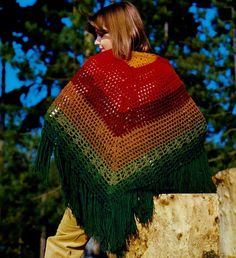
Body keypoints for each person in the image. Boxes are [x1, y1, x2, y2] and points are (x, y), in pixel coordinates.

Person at [35, 1, 214, 257]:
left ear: (124, 31)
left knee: (68, 244)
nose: (97, 42)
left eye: (102, 34)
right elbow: (195, 125)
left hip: (125, 183)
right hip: (109, 178)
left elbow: (57, 115)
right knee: (120, 246)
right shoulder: (154, 69)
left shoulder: (133, 69)